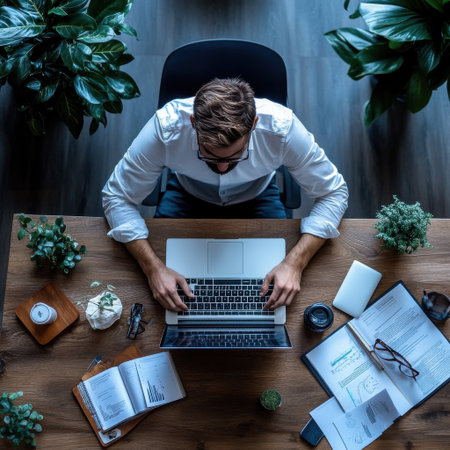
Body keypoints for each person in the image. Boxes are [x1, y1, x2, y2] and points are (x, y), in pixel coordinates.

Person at [102, 78, 348, 312]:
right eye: (209, 153)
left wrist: (295, 263)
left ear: (254, 125)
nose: (221, 168)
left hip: (258, 196)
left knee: (275, 290)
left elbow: (334, 193)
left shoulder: (282, 129)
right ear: (192, 122)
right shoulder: (166, 128)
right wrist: (153, 269)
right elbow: (116, 197)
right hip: (187, 194)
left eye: (234, 155)